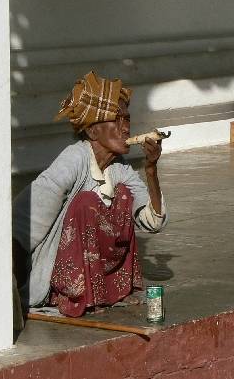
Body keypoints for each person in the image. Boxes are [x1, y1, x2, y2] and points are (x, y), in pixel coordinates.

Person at [12, 71, 167, 317]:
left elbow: (153, 222)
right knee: (87, 202)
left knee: (124, 195)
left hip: (99, 278)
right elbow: (26, 220)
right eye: (116, 120)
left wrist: (151, 169)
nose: (125, 128)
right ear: (93, 131)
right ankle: (73, 293)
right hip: (61, 278)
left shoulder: (120, 168)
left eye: (127, 119)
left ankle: (105, 289)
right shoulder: (75, 159)